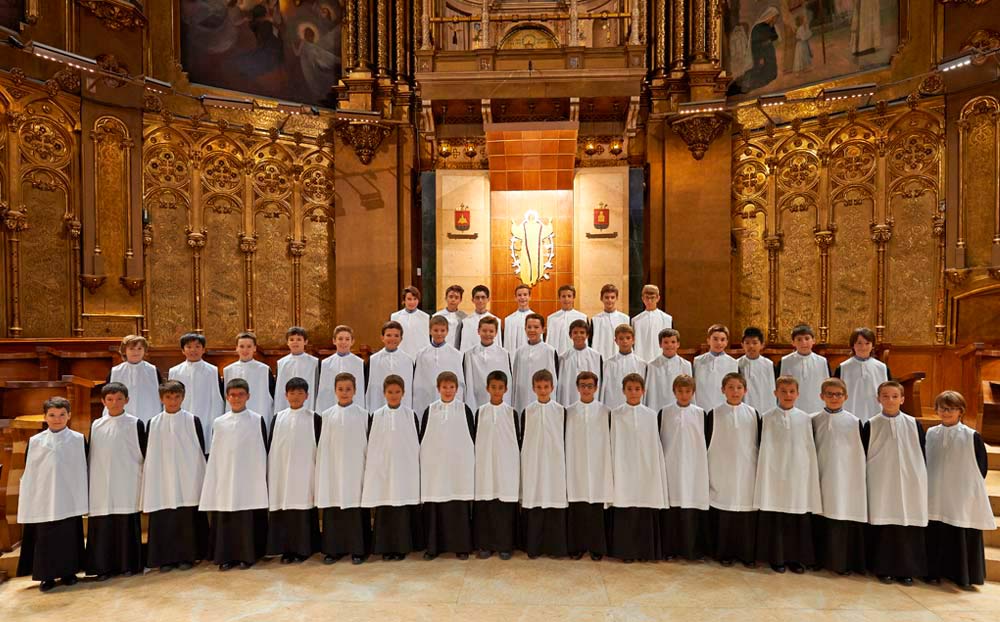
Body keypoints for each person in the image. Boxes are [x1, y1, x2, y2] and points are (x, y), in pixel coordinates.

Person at [16, 397, 88, 592]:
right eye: (52, 415)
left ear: (69, 415)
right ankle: (46, 576)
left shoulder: (78, 439)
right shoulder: (35, 441)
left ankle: (69, 572)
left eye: (62, 414)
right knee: (45, 537)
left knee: (68, 535)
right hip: (44, 496)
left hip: (68, 496)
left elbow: (83, 467)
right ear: (45, 417)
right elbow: (30, 470)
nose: (57, 419)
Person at [925, 391, 995, 587]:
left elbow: (981, 466)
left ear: (961, 411)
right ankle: (933, 572)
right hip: (936, 492)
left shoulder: (971, 436)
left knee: (959, 530)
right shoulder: (931, 433)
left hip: (960, 492)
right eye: (942, 408)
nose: (946, 412)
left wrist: (966, 488)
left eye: (951, 408)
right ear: (936, 410)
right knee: (936, 531)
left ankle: (962, 575)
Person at [199, 378, 269, 571]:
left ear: (248, 396)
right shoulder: (219, 422)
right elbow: (216, 452)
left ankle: (247, 555)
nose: (236, 398)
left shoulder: (257, 419)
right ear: (226, 397)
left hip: (248, 477)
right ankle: (226, 556)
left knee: (247, 515)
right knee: (226, 515)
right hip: (226, 476)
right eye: (232, 395)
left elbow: (262, 448)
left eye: (240, 394)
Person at [754, 376, 822, 574]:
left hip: (797, 474)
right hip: (774, 474)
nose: (788, 395)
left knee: (797, 515)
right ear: (775, 393)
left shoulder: (805, 419)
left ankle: (796, 558)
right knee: (776, 516)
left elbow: (808, 447)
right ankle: (777, 558)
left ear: (798, 394)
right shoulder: (766, 417)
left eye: (792, 391)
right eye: (783, 391)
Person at [864, 380, 928, 586]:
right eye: (885, 396)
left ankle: (906, 569)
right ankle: (883, 569)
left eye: (894, 396)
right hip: (881, 480)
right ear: (878, 399)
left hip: (909, 480)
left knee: (906, 524)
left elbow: (922, 451)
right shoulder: (870, 424)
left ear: (902, 399)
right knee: (884, 525)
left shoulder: (913, 423)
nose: (890, 400)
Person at [141, 380, 209, 572]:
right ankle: (165, 558)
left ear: (183, 397)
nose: (172, 401)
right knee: (164, 517)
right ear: (161, 398)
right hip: (161, 477)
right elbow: (149, 452)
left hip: (187, 476)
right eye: (168, 397)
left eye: (177, 397)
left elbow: (199, 450)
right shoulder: (153, 423)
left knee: (186, 516)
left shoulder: (192, 420)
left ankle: (188, 556)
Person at [86, 383, 146, 581]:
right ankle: (104, 567)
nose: (115, 403)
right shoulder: (96, 425)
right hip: (101, 480)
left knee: (126, 522)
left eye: (119, 399)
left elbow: (143, 452)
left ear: (127, 400)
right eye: (110, 399)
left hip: (127, 479)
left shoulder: (135, 423)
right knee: (103, 523)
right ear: (103, 402)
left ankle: (129, 565)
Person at [609, 373, 670, 563]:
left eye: (637, 389)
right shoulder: (616, 414)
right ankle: (626, 552)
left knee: (645, 505)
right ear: (623, 391)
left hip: (646, 468)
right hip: (623, 466)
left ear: (643, 391)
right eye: (629, 389)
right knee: (625, 506)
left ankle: (646, 551)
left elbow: (654, 444)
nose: (633, 393)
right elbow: (612, 442)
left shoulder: (651, 415)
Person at [362, 375, 424, 561]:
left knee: (402, 507)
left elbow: (414, 443)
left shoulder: (410, 415)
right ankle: (385, 547)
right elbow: (372, 444)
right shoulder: (376, 415)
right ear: (384, 393)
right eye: (390, 392)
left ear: (403, 393)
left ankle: (402, 547)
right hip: (383, 470)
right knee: (385, 506)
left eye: (397, 392)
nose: (394, 395)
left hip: (404, 469)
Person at [812, 378, 867, 576]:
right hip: (820, 474)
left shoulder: (854, 422)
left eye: (838, 394)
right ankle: (818, 559)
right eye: (830, 394)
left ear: (846, 397)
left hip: (845, 478)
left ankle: (842, 561)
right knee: (820, 516)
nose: (834, 398)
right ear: (821, 396)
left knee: (841, 514)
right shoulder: (814, 419)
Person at [705, 372, 761, 567]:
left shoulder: (754, 414)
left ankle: (747, 554)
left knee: (746, 513)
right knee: (724, 511)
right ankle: (723, 553)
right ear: (723, 390)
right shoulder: (713, 414)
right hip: (722, 470)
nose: (735, 391)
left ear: (745, 390)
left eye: (739, 387)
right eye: (730, 387)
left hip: (747, 470)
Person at [419, 371, 476, 560]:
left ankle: (461, 546)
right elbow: (423, 439)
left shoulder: (465, 410)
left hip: (458, 468)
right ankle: (433, 547)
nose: (448, 390)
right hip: (436, 468)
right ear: (438, 388)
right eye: (444, 387)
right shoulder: (430, 410)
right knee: (435, 506)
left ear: (457, 389)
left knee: (458, 505)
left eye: (452, 387)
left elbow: (472, 438)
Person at [315, 372, 371, 565]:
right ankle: (334, 549)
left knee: (355, 507)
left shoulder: (363, 415)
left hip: (355, 469)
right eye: (341, 389)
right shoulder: (327, 415)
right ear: (335, 391)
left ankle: (359, 549)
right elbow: (323, 446)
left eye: (348, 389)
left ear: (355, 390)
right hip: (333, 469)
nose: (344, 392)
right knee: (334, 506)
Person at [266, 377, 321, 564]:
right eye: (292, 393)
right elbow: (272, 446)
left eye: (300, 393)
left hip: (305, 471)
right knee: (284, 508)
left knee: (303, 508)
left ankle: (304, 548)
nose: (296, 396)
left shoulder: (314, 418)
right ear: (285, 395)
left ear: (307, 395)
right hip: (281, 471)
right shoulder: (278, 418)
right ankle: (286, 550)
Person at [519, 369, 569, 558]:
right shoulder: (527, 411)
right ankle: (534, 547)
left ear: (552, 387)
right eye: (539, 387)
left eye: (546, 387)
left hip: (555, 464)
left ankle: (555, 548)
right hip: (534, 464)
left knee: (553, 500)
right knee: (536, 500)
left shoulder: (560, 411)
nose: (542, 390)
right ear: (533, 388)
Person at [660, 374, 710, 560]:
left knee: (691, 506)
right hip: (671, 465)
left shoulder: (701, 414)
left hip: (694, 467)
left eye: (687, 391)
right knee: (672, 507)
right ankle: (671, 550)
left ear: (693, 392)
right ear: (674, 392)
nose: (684, 394)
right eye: (680, 391)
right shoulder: (664, 413)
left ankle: (692, 550)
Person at [565, 371, 613, 561]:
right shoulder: (569, 411)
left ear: (596, 388)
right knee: (578, 505)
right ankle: (576, 546)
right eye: (583, 385)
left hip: (598, 463)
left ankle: (596, 546)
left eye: (590, 386)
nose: (586, 389)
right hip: (576, 463)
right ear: (577, 388)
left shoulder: (605, 411)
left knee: (595, 506)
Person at [473, 370, 520, 560]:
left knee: (504, 507)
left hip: (505, 467)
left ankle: (505, 545)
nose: (497, 391)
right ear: (487, 388)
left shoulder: (511, 413)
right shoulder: (480, 412)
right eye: (493, 387)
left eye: (500, 388)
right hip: (485, 466)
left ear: (506, 389)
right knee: (486, 505)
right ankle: (485, 545)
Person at [168, 332, 224, 451]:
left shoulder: (212, 371)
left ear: (203, 349)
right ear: (183, 350)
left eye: (197, 346)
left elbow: (218, 398)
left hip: (207, 418)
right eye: (189, 347)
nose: (193, 350)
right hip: (181, 418)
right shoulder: (174, 372)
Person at [412, 315, 466, 417]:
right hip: (426, 399)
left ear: (447, 331)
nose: (439, 333)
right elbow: (418, 383)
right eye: (435, 330)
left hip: (448, 398)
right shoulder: (421, 354)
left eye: (442, 330)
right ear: (430, 331)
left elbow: (460, 382)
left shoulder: (456, 354)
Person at [835, 327, 890, 422]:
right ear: (853, 345)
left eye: (867, 343)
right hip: (850, 412)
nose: (863, 347)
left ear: (873, 345)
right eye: (859, 343)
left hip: (875, 412)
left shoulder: (882, 368)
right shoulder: (843, 368)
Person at [222, 331, 275, 426]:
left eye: (249, 346)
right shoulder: (228, 370)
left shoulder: (264, 370)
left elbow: (272, 394)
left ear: (254, 348)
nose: (245, 350)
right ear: (236, 348)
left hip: (259, 415)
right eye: (241, 346)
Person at [106, 334, 162, 423]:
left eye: (139, 349)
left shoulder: (153, 371)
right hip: (122, 416)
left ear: (145, 350)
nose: (136, 352)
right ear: (124, 351)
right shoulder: (115, 372)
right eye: (131, 349)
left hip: (148, 413)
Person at [462, 315, 512, 412]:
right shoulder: (469, 354)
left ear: (496, 333)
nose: (487, 334)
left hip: (497, 398)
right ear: (478, 331)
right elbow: (468, 381)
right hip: (476, 399)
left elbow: (508, 381)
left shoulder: (503, 354)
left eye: (491, 331)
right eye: (484, 331)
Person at [511, 313, 559, 412]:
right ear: (525, 329)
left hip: (542, 395)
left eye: (536, 327)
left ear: (543, 329)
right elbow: (515, 378)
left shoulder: (549, 351)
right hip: (522, 396)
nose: (532, 330)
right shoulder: (520, 352)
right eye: (529, 327)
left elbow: (554, 378)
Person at [778, 324, 829, 415]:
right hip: (792, 407)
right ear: (793, 342)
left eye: (807, 338)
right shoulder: (785, 361)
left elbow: (827, 386)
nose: (803, 342)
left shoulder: (822, 361)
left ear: (813, 340)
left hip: (817, 407)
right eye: (799, 339)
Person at [316, 325, 367, 413]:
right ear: (334, 341)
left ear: (352, 341)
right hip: (331, 408)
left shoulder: (359, 363)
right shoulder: (326, 363)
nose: (343, 342)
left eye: (347, 339)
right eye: (340, 339)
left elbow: (360, 391)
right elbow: (323, 392)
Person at [365, 321, 415, 411]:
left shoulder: (408, 360)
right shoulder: (373, 360)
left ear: (401, 338)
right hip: (378, 408)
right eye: (388, 335)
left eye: (396, 336)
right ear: (382, 337)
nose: (392, 339)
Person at [273, 326, 320, 418]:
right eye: (291, 339)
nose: (295, 342)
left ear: (305, 341)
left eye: (299, 339)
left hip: (308, 405)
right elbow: (278, 388)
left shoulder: (314, 363)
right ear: (287, 342)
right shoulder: (281, 363)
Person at [556, 319, 603, 407]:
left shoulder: (596, 356)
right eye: (575, 332)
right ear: (570, 335)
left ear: (587, 335)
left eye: (582, 332)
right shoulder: (563, 358)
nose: (578, 335)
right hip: (569, 399)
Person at [644, 328, 692, 412]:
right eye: (666, 342)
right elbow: (649, 391)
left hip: (679, 408)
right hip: (657, 407)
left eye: (673, 342)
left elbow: (690, 389)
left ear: (678, 344)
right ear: (660, 344)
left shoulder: (686, 365)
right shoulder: (652, 365)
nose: (669, 345)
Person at [693, 324, 739, 412]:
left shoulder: (733, 363)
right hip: (701, 407)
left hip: (724, 408)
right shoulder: (698, 361)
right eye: (715, 339)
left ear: (726, 342)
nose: (719, 343)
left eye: (722, 340)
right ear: (708, 340)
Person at [601, 324, 647, 410]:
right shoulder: (608, 364)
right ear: (616, 341)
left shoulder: (641, 364)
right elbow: (604, 389)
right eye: (621, 338)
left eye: (628, 338)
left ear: (633, 340)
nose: (625, 341)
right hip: (613, 406)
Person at [631, 284, 673, 363]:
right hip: (641, 359)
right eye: (647, 298)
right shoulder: (636, 320)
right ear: (642, 298)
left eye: (652, 298)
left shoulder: (666, 318)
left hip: (661, 359)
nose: (649, 301)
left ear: (658, 298)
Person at [737, 326, 775, 415]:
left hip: (765, 407)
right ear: (742, 344)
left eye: (755, 343)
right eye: (747, 343)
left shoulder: (769, 365)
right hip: (743, 409)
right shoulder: (737, 364)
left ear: (762, 345)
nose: (751, 346)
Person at [590, 283, 630, 361]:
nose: (609, 300)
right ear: (601, 298)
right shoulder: (595, 320)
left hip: (621, 359)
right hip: (601, 359)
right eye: (607, 297)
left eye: (612, 297)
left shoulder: (625, 319)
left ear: (616, 298)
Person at [546, 284, 587, 356]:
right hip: (557, 356)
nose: (566, 299)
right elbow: (549, 340)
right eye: (563, 296)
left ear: (573, 298)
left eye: (569, 296)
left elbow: (585, 340)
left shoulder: (582, 317)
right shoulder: (552, 318)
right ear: (559, 298)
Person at [391, 285, 431, 359]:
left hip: (420, 356)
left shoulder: (425, 317)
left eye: (415, 299)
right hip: (401, 355)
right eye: (409, 299)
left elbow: (426, 340)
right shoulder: (395, 317)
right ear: (404, 300)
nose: (412, 302)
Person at [460, 284, 502, 352]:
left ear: (488, 299)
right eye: (477, 297)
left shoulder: (496, 320)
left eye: (483, 297)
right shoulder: (466, 322)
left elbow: (498, 344)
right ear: (472, 300)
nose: (480, 300)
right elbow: (464, 346)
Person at [503, 283, 535, 353]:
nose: (522, 297)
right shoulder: (509, 320)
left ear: (530, 297)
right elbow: (507, 344)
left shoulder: (536, 319)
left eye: (525, 294)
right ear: (515, 298)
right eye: (519, 295)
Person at [433, 284, 467, 349]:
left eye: (456, 297)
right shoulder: (437, 316)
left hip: (457, 350)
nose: (453, 300)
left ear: (460, 300)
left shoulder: (464, 317)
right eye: (451, 297)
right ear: (446, 298)